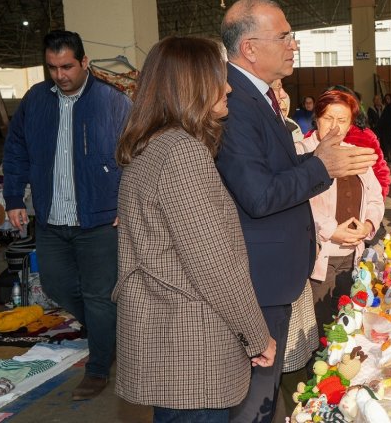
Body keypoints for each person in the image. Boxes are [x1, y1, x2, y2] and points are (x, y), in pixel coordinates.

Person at [216, 0, 377, 422]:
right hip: (259, 278)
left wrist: (317, 160)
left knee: (265, 393)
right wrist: (322, 165)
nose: (293, 44)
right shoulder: (235, 103)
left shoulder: (262, 98)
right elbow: (258, 194)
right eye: (284, 36)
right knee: (253, 398)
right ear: (250, 47)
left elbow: (277, 171)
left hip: (276, 275)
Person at [113, 36, 275, 422]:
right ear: (192, 84)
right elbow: (215, 265)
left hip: (169, 342)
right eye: (220, 76)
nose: (230, 87)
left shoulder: (152, 146)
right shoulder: (182, 153)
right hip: (192, 348)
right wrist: (257, 334)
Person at [3, 30, 131, 401]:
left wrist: (126, 202)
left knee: (98, 294)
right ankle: (111, 333)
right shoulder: (35, 101)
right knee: (57, 286)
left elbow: (135, 156)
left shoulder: (113, 102)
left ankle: (98, 368)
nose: (60, 75)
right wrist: (13, 197)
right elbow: (16, 151)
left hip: (100, 220)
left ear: (84, 62)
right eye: (53, 67)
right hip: (52, 219)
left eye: (67, 66)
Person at [296, 90, 384, 329]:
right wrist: (331, 230)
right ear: (317, 117)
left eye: (342, 120)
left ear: (350, 125)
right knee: (320, 326)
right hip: (319, 256)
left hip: (351, 253)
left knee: (346, 322)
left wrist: (368, 225)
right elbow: (297, 204)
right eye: (328, 118)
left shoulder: (352, 153)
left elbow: (375, 197)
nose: (335, 127)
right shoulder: (300, 152)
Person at [377, 93, 391, 162]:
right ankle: (390, 157)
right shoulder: (387, 107)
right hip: (385, 128)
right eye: (386, 99)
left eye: (388, 98)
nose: (387, 100)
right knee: (386, 142)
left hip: (390, 128)